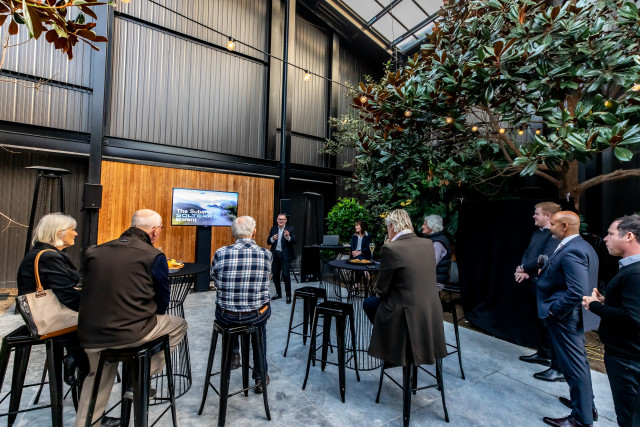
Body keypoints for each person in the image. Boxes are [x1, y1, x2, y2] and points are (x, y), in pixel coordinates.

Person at [75, 209, 188, 427]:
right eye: (161, 229)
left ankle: (86, 423)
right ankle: (141, 379)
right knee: (179, 325)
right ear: (154, 231)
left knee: (96, 377)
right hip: (131, 332)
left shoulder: (94, 251)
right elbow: (162, 299)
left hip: (90, 333)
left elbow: (87, 286)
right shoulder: (153, 256)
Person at [363, 209, 447, 367]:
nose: (387, 231)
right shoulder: (428, 244)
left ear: (392, 226)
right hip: (431, 310)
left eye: (387, 228)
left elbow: (381, 290)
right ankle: (401, 349)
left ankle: (395, 350)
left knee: (369, 303)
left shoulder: (391, 248)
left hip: (407, 313)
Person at [537, 211, 598, 427]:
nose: (549, 227)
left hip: (566, 318)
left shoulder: (573, 250)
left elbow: (576, 291)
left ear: (564, 226)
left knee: (574, 366)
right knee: (578, 363)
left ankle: (581, 419)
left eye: (553, 224)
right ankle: (586, 406)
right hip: (572, 316)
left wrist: (555, 311)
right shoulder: (581, 246)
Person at [16, 213, 89, 387]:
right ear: (59, 232)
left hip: (51, 317)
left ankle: (74, 360)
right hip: (51, 321)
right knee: (95, 346)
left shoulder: (44, 254)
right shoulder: (48, 257)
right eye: (72, 229)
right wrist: (93, 309)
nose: (76, 233)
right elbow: (67, 295)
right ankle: (89, 397)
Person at [583, 214, 640, 427]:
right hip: (628, 356)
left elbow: (632, 319)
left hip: (627, 359)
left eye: (610, 233)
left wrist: (594, 305)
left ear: (629, 236)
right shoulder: (632, 270)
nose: (605, 239)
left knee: (628, 419)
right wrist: (607, 301)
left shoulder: (635, 274)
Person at [211, 216, 272, 393]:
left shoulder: (221, 252)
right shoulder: (266, 254)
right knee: (259, 323)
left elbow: (214, 278)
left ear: (233, 234)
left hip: (226, 315)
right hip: (255, 315)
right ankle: (260, 376)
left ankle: (234, 353)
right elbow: (267, 279)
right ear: (254, 232)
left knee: (230, 310)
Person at [514, 202, 563, 382]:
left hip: (545, 285)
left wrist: (525, 268)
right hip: (533, 282)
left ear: (548, 216)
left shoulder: (554, 235)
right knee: (540, 322)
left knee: (549, 324)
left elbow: (546, 258)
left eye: (537, 213)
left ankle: (558, 367)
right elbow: (529, 253)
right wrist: (523, 268)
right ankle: (543, 354)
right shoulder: (537, 234)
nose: (534, 216)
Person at [267, 213, 296, 304]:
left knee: (286, 276)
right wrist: (272, 238)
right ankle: (278, 293)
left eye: (283, 219)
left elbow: (294, 240)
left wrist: (288, 237)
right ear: (277, 220)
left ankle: (288, 295)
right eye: (279, 219)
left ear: (286, 220)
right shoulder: (273, 229)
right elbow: (268, 242)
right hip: (275, 256)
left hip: (285, 256)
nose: (281, 221)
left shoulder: (290, 229)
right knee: (275, 276)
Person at [421, 214, 451, 287]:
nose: (422, 226)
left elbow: (430, 265)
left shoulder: (438, 243)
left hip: (435, 282)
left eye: (425, 224)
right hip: (431, 279)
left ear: (432, 226)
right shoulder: (432, 239)